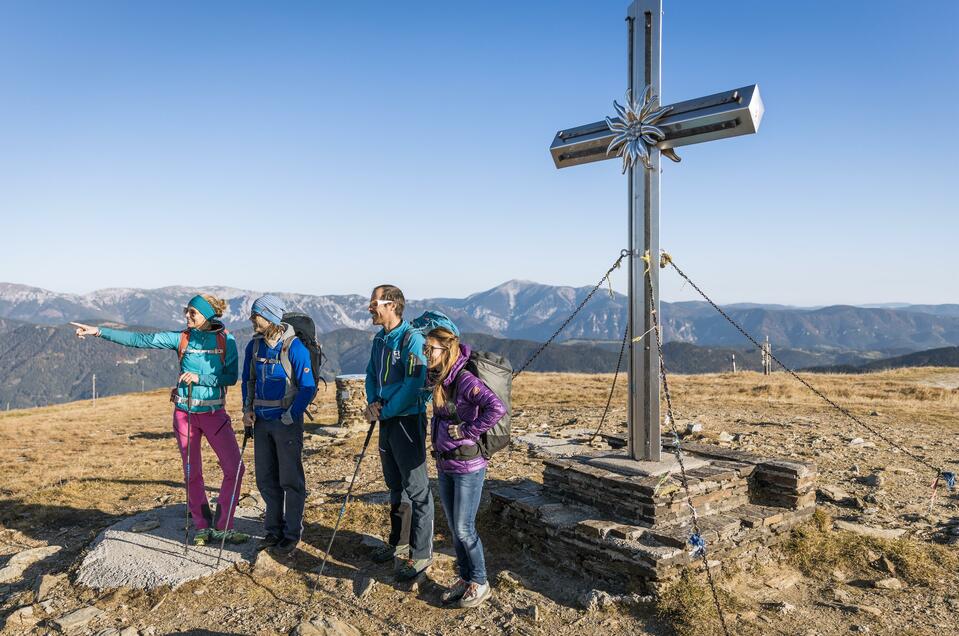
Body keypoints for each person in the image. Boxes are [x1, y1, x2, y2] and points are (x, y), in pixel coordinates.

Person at [71, 294, 247, 545]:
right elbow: (140, 340)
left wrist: (199, 378)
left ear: (207, 315)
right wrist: (98, 331)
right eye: (187, 311)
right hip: (184, 414)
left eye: (192, 313)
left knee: (235, 469)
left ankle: (223, 526)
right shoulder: (181, 338)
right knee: (192, 472)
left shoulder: (225, 340)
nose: (187, 316)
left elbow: (230, 378)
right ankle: (201, 526)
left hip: (214, 415)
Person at [424, 327, 504, 608]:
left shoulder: (465, 380)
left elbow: (496, 408)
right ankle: (465, 576)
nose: (426, 353)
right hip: (446, 462)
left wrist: (469, 430)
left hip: (468, 464)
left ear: (445, 350)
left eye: (429, 348)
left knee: (464, 527)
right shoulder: (442, 379)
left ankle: (480, 582)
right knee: (456, 527)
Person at [364, 284, 433, 581]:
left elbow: (414, 384)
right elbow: (370, 374)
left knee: (417, 490)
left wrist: (386, 410)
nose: (370, 307)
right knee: (395, 485)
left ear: (391, 305)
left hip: (407, 421)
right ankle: (399, 544)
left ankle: (421, 555)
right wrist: (371, 403)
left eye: (374, 302)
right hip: (387, 418)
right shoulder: (380, 340)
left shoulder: (412, 340)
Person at [241, 294, 317, 556]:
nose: (252, 319)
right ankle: (272, 530)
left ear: (270, 316)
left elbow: (308, 387)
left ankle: (291, 533)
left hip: (286, 423)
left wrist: (292, 413)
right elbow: (247, 381)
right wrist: (247, 410)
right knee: (265, 479)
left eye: (256, 315)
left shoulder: (294, 347)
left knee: (290, 480)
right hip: (261, 421)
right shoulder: (255, 347)